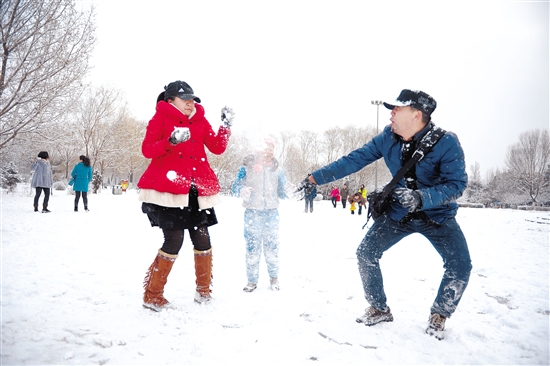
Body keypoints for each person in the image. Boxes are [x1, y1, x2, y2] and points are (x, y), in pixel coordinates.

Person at [300, 89, 471, 340]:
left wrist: (422, 198)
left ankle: (440, 314)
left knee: (461, 265)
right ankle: (379, 308)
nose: (390, 113)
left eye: (397, 109)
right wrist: (315, 178)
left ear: (416, 114)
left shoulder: (446, 142)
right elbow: (354, 160)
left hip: (438, 216)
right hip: (400, 214)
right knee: (366, 253)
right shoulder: (387, 138)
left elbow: (457, 184)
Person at [137, 80, 233, 310]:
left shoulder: (200, 119)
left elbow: (217, 147)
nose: (191, 103)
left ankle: (203, 292)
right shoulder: (160, 119)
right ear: (170, 101)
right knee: (174, 240)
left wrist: (225, 126)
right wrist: (170, 141)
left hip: (195, 191)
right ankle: (152, 295)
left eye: (192, 99)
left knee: (203, 239)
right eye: (185, 99)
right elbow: (147, 149)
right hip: (169, 190)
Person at [232, 137, 293, 292]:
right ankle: (252, 281)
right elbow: (235, 187)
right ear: (257, 151)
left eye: (271, 149)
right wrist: (242, 191)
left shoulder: (277, 170)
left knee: (272, 247)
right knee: (252, 247)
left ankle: (274, 278)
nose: (269, 152)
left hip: (271, 214)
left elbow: (282, 191)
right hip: (252, 213)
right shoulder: (246, 168)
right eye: (265, 149)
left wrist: (287, 190)